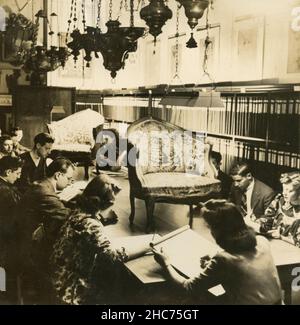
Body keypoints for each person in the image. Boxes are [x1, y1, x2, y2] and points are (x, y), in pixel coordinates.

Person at [152, 200, 283, 305]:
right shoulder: (262, 241)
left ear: (220, 230)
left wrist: (166, 263)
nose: (211, 232)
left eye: (211, 227)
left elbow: (189, 287)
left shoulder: (224, 260)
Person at [50, 175, 147, 305]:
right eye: (111, 203)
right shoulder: (90, 224)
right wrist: (148, 246)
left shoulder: (78, 211)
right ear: (100, 203)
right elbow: (113, 256)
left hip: (58, 278)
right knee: (125, 281)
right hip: (70, 290)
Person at [17, 158, 74, 303]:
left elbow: (57, 204)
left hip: (29, 236)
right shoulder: (43, 191)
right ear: (58, 175)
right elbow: (64, 214)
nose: (70, 182)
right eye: (69, 178)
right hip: (25, 245)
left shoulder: (43, 185)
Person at [0, 156, 23, 303]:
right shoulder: (5, 192)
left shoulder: (5, 187)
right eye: (18, 173)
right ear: (8, 172)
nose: (19, 176)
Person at [258, 172, 300, 247]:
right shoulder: (280, 200)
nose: (284, 193)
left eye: (289, 191)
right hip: (273, 244)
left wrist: (281, 237)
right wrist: (260, 222)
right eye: (283, 189)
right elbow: (268, 218)